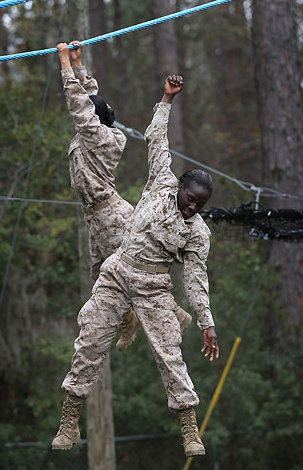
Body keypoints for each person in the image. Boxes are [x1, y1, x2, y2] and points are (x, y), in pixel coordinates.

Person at [51, 72, 219, 458]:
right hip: (117, 271)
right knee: (90, 338)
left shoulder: (197, 233)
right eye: (190, 198)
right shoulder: (162, 183)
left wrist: (207, 322)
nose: (192, 207)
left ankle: (189, 428)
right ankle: (69, 419)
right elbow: (158, 138)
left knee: (168, 354)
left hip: (153, 285)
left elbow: (195, 278)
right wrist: (167, 99)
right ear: (180, 187)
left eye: (199, 205)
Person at [55, 41, 192, 352]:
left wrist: (64, 62)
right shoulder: (98, 130)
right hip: (98, 217)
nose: (84, 117)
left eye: (89, 115)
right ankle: (147, 314)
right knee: (100, 276)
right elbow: (89, 97)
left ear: (94, 121)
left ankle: (163, 315)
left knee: (127, 273)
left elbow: (79, 103)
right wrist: (78, 64)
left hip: (110, 216)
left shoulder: (99, 138)